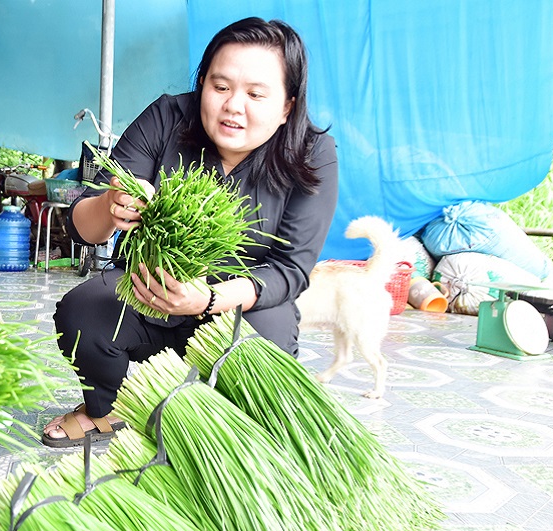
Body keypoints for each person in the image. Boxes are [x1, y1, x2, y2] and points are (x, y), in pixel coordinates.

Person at [43, 17, 338, 447]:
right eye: (220, 87)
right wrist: (111, 204)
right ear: (203, 84)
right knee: (83, 313)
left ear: (287, 106)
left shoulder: (312, 153)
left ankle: (213, 423)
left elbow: (292, 270)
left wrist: (211, 298)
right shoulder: (168, 117)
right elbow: (82, 228)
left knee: (263, 360)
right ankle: (106, 410)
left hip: (241, 305)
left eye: (256, 94)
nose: (234, 105)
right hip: (148, 288)